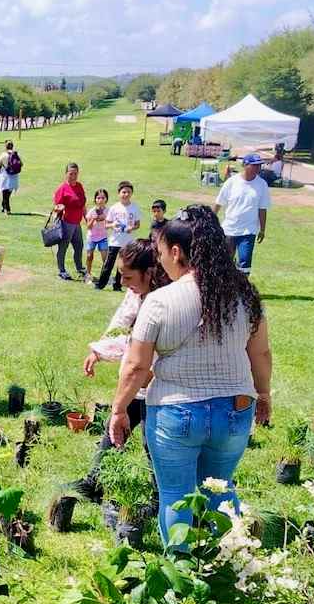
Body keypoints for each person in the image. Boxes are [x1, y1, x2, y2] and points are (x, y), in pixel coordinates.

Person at [109, 205, 272, 545]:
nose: (160, 260)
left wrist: (119, 409)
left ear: (176, 251)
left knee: (175, 495)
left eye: (160, 252)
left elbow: (137, 365)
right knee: (220, 490)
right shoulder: (246, 294)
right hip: (235, 409)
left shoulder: (160, 301)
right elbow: (260, 353)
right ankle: (229, 563)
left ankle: (180, 570)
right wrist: (265, 395)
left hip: (176, 412)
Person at [74, 237, 172, 501]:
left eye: (128, 277)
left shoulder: (168, 299)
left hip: (160, 386)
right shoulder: (135, 294)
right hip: (135, 380)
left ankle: (159, 497)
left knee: (154, 445)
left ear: (149, 272)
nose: (123, 283)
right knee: (113, 430)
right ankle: (94, 483)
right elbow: (121, 326)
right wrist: (98, 351)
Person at [214, 153, 271, 274]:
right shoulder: (231, 182)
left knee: (245, 262)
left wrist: (262, 230)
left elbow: (262, 208)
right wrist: (210, 221)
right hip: (229, 228)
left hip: (248, 230)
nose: (257, 168)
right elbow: (219, 202)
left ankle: (242, 290)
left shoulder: (262, 185)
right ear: (245, 165)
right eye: (254, 165)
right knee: (225, 261)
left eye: (259, 166)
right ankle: (225, 288)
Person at [98, 180, 140, 291]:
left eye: (128, 192)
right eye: (123, 192)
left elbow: (137, 224)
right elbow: (106, 224)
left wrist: (132, 228)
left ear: (131, 193)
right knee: (108, 264)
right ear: (119, 193)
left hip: (127, 242)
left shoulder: (134, 208)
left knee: (122, 265)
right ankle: (100, 284)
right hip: (115, 241)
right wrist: (113, 224)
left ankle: (117, 286)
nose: (126, 194)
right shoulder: (114, 208)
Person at [51, 162, 86, 281]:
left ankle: (80, 268)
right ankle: (61, 270)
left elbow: (83, 204)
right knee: (63, 247)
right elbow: (56, 206)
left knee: (79, 246)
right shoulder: (63, 188)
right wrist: (60, 207)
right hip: (66, 223)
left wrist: (86, 217)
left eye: (75, 173)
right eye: (71, 174)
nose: (73, 176)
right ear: (66, 174)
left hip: (77, 223)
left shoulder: (79, 186)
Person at [83, 188, 110, 286]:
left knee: (105, 259)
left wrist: (104, 219)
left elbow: (109, 224)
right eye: (98, 198)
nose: (101, 200)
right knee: (89, 256)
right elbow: (88, 226)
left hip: (103, 237)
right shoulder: (91, 211)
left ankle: (105, 277)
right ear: (95, 199)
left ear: (106, 199)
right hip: (92, 237)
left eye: (103, 198)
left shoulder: (108, 211)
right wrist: (94, 219)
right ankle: (88, 275)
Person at [0, 140, 21, 214]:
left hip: (5, 176)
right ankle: (3, 206)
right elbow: (21, 164)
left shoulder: (3, 155)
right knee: (7, 194)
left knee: (5, 194)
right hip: (14, 177)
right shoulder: (16, 154)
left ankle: (7, 209)